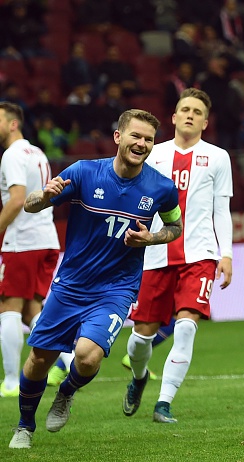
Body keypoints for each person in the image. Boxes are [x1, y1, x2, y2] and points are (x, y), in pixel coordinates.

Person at [8, 109, 183, 450]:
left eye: (148, 139)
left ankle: (66, 392)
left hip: (116, 289)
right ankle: (25, 425)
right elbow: (30, 206)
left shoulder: (162, 188)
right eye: (136, 136)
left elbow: (175, 227)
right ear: (118, 137)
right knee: (39, 359)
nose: (142, 143)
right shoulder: (85, 173)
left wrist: (151, 238)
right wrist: (44, 197)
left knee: (88, 357)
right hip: (71, 285)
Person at [122, 88, 233, 424]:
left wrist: (225, 254)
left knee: (186, 327)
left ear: (205, 121)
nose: (189, 115)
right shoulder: (152, 153)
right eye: (184, 109)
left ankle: (164, 403)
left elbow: (221, 209)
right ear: (173, 117)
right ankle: (139, 377)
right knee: (141, 338)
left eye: (196, 111)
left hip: (200, 255)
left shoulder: (218, 157)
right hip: (154, 255)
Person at [0, 102, 60, 398]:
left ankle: (11, 382)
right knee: (32, 310)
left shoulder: (11, 155)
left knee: (8, 307)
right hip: (46, 238)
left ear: (13, 124)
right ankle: (69, 359)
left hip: (21, 241)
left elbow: (16, 200)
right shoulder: (36, 152)